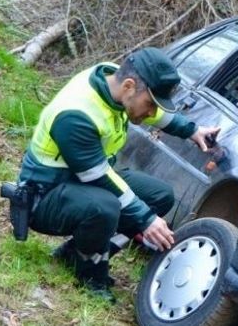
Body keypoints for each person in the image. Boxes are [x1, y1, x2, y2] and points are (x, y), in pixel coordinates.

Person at [16, 48, 219, 299]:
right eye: (149, 104)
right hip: (45, 196)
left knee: (160, 196)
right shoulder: (76, 114)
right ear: (129, 86)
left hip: (80, 183)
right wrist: (146, 220)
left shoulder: (114, 81)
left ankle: (74, 254)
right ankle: (90, 274)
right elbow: (98, 176)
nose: (149, 113)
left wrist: (192, 130)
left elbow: (155, 112)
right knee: (107, 206)